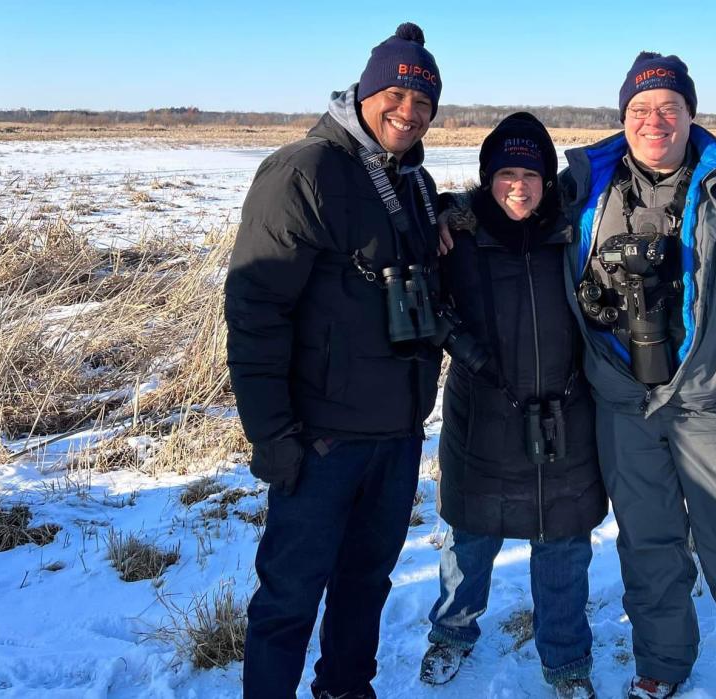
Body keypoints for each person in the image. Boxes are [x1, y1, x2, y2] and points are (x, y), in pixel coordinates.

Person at [559, 52, 716, 699]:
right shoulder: (586, 183)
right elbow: (512, 205)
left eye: (668, 107)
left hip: (709, 400)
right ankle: (663, 662)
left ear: (691, 113)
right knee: (648, 543)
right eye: (639, 109)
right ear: (623, 116)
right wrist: (456, 219)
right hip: (622, 402)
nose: (654, 120)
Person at [224, 22, 445, 699]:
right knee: (291, 595)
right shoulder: (304, 171)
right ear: (366, 91)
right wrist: (272, 434)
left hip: (396, 431)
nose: (408, 114)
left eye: (423, 102)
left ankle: (346, 688)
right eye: (396, 97)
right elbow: (256, 311)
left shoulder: (416, 182)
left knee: (365, 583)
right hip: (321, 438)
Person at [420, 113, 607, 699]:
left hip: (567, 413)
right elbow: (417, 290)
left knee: (563, 545)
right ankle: (451, 633)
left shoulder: (575, 234)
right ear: (487, 178)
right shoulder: (460, 237)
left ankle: (568, 662)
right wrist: (446, 211)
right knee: (469, 539)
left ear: (548, 179)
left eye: (530, 172)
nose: (518, 186)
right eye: (505, 174)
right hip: (483, 415)